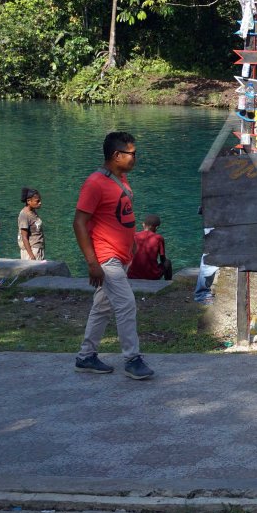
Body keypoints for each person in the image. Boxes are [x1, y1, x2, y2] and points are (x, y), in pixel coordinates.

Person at [72, 131, 154, 380]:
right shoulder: (95, 183)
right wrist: (92, 263)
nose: (135, 157)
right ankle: (132, 359)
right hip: (106, 257)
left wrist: (132, 244)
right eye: (132, 153)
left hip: (122, 255)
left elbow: (120, 215)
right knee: (126, 304)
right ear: (117, 155)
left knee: (102, 306)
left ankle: (86, 356)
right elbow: (79, 223)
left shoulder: (121, 178)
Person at [128, 214, 167, 280]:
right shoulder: (159, 238)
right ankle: (168, 283)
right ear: (157, 227)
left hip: (132, 275)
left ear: (143, 224)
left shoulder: (134, 236)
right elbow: (162, 259)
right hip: (152, 276)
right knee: (167, 263)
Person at [17, 188, 45, 261]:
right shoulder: (24, 215)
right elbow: (24, 237)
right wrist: (32, 256)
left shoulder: (33, 211)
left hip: (38, 248)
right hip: (32, 251)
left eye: (40, 200)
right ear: (29, 201)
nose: (40, 203)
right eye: (37, 201)